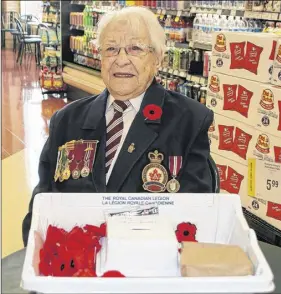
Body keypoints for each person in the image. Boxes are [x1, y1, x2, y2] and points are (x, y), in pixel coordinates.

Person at [22, 6, 214, 246]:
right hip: (74, 264)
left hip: (148, 265)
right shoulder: (66, 120)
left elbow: (194, 219)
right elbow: (41, 205)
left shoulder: (190, 120)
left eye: (135, 48)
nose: (121, 60)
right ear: (100, 56)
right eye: (111, 49)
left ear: (158, 58)